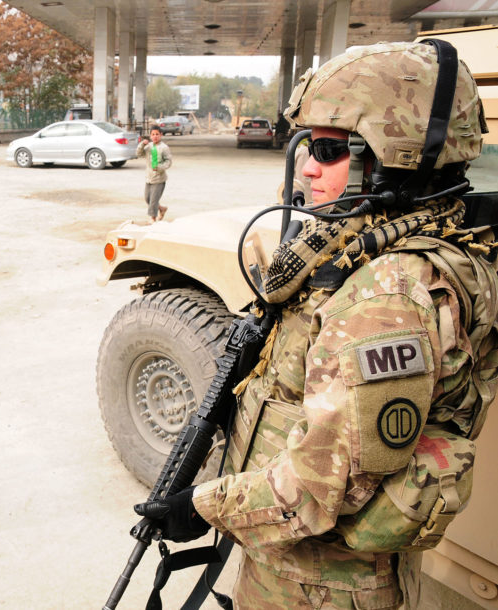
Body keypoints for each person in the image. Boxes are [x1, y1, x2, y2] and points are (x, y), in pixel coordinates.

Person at [134, 41, 498, 608]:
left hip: (322, 582)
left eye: (328, 149)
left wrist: (203, 507)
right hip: (300, 562)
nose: (306, 165)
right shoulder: (377, 237)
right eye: (308, 146)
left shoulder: (387, 296)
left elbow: (322, 485)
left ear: (392, 155)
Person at [135, 125, 172, 223]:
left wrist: (160, 167)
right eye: (153, 134)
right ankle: (162, 208)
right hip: (149, 177)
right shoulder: (148, 147)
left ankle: (152, 218)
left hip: (159, 179)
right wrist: (142, 144)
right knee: (147, 199)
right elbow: (139, 154)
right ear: (150, 136)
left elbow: (168, 162)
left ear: (161, 135)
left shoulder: (164, 148)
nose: (155, 136)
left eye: (157, 134)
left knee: (153, 200)